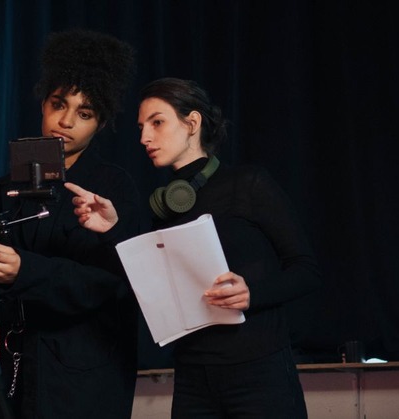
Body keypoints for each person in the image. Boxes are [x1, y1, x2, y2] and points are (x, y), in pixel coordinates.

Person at [66, 77, 321, 418]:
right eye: (141, 127)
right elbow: (145, 289)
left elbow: (306, 269)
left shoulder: (249, 184)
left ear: (192, 123)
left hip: (260, 375)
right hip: (192, 379)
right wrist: (111, 231)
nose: (144, 137)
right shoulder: (165, 207)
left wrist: (252, 294)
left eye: (157, 123)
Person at [0, 29, 141, 418]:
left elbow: (109, 283)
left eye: (85, 113)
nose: (66, 121)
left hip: (81, 378)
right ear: (43, 103)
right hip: (7, 370)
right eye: (59, 103)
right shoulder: (7, 186)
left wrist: (26, 271)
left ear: (101, 122)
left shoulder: (113, 187)